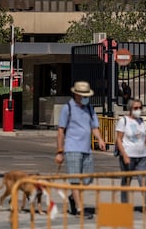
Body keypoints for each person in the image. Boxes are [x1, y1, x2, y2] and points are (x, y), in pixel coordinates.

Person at [55, 81, 106, 219]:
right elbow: (61, 130)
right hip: (72, 149)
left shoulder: (89, 108)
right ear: (76, 94)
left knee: (87, 179)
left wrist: (100, 139)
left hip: (86, 150)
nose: (85, 97)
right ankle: (79, 209)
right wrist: (60, 151)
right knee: (75, 180)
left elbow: (94, 127)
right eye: (82, 95)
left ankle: (73, 196)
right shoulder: (68, 108)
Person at [115, 98, 146, 215]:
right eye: (136, 108)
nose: (138, 110)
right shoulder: (124, 121)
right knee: (126, 181)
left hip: (141, 156)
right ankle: (124, 206)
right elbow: (119, 140)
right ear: (130, 109)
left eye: (140, 108)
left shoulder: (141, 121)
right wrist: (124, 155)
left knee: (143, 181)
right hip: (128, 156)